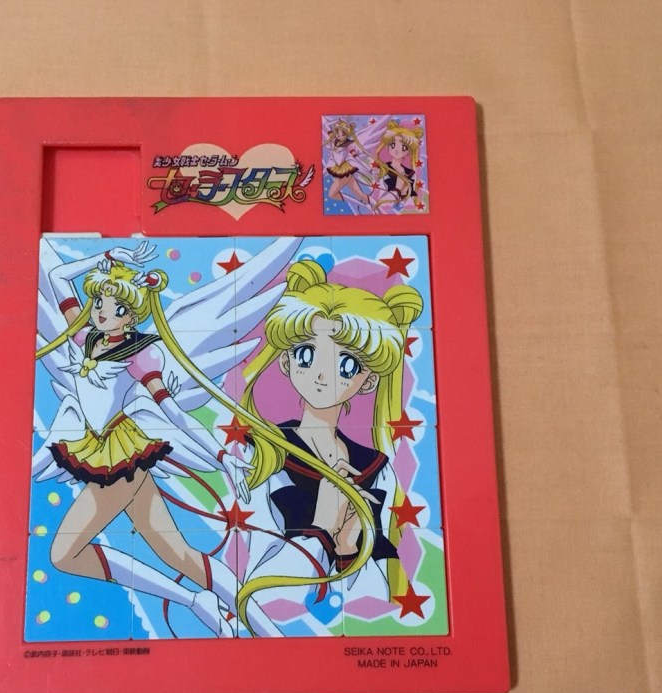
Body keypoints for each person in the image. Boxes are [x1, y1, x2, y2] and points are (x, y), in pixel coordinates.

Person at [34, 241, 282, 637]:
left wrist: (222, 458)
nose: (102, 312)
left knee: (64, 553)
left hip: (120, 461)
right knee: (181, 556)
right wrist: (106, 258)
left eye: (116, 308)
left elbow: (176, 415)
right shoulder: (87, 338)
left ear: (132, 316)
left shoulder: (140, 354)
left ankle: (203, 606)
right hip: (104, 454)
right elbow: (56, 276)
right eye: (98, 302)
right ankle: (248, 623)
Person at [233, 260, 423, 627]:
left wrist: (348, 549)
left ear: (368, 381)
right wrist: (321, 526)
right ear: (286, 362)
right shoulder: (265, 451)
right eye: (307, 355)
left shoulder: (376, 468)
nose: (322, 375)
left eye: (347, 365)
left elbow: (375, 602)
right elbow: (259, 590)